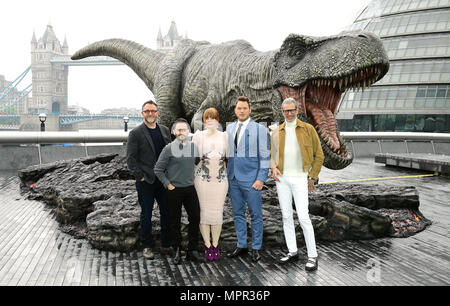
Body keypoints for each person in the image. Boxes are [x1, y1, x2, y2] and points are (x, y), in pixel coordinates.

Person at [270, 97, 324, 271]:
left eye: (292, 110)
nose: (289, 113)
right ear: (282, 112)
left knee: (303, 217)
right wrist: (273, 168)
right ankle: (293, 251)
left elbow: (319, 155)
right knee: (286, 216)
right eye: (286, 111)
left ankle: (312, 255)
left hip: (301, 178)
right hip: (282, 179)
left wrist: (312, 177)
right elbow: (272, 155)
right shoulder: (277, 131)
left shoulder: (308, 129)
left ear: (297, 110)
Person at [154, 118, 205, 264]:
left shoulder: (194, 147)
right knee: (174, 221)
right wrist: (167, 184)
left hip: (190, 188)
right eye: (179, 129)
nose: (182, 132)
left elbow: (196, 162)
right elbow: (158, 169)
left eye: (185, 129)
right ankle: (177, 249)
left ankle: (192, 251)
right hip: (174, 190)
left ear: (189, 131)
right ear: (174, 132)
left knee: (195, 218)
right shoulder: (168, 148)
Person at [226, 96, 270, 262]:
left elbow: (265, 156)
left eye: (245, 108)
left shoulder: (259, 129)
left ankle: (256, 248)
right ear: (235, 110)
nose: (242, 111)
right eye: (239, 108)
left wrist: (261, 179)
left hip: (252, 180)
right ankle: (242, 245)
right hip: (233, 178)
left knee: (256, 214)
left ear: (250, 110)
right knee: (238, 213)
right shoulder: (229, 128)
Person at [126, 100, 172, 260]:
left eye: (153, 111)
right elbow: (130, 159)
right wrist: (141, 176)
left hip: (163, 180)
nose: (150, 114)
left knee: (167, 213)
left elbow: (171, 153)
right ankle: (147, 246)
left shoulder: (165, 131)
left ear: (157, 113)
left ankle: (166, 245)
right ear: (142, 114)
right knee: (146, 214)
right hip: (146, 181)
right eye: (147, 111)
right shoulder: (136, 133)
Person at [192, 108, 229, 261]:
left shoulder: (225, 136)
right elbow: (192, 158)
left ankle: (216, 243)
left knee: (217, 211)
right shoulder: (198, 136)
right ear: (204, 120)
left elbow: (228, 158)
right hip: (202, 180)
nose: (210, 120)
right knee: (204, 212)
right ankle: (207, 245)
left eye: (213, 118)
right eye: (207, 118)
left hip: (220, 180)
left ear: (217, 119)